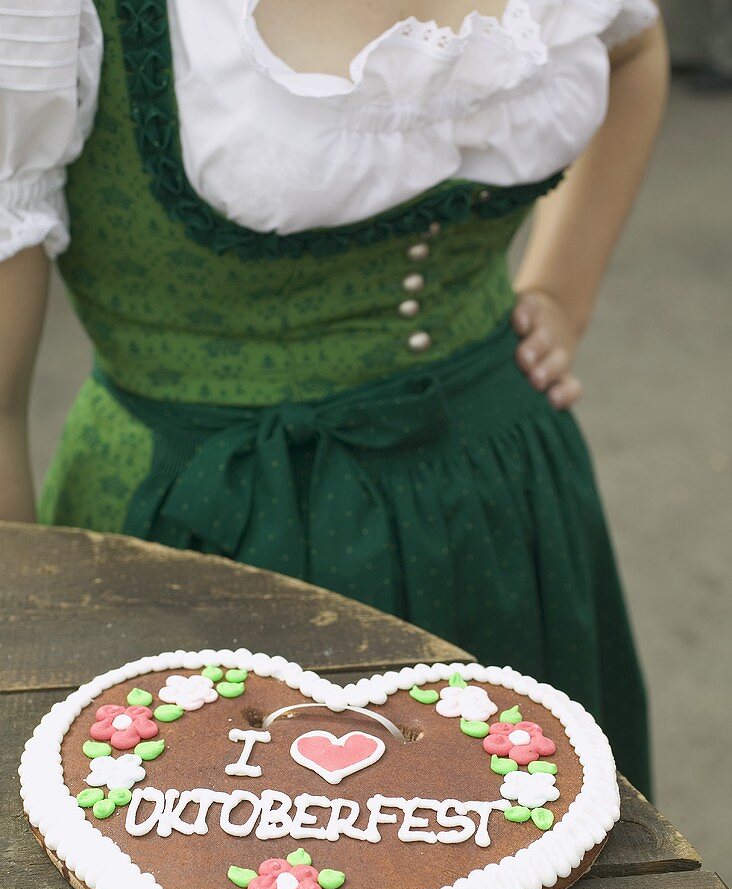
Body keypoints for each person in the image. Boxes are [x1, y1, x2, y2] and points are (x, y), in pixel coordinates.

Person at [0, 1, 668, 794]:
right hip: (202, 553)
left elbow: (635, 46)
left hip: (505, 511)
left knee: (546, 869)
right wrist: (25, 693)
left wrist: (563, 289)